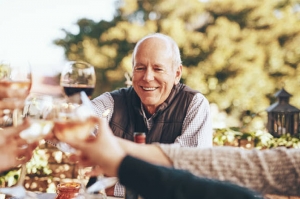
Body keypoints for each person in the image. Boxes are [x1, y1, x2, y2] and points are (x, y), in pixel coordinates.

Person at [91, 33, 213, 196]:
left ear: (177, 74)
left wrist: (119, 186)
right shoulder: (113, 101)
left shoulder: (194, 104)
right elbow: (74, 121)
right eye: (140, 68)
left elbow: (191, 176)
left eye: (158, 69)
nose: (147, 77)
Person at [62, 118, 300, 197]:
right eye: (140, 67)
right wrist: (115, 149)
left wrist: (121, 163)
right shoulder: (119, 98)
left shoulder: (194, 103)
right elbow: (249, 167)